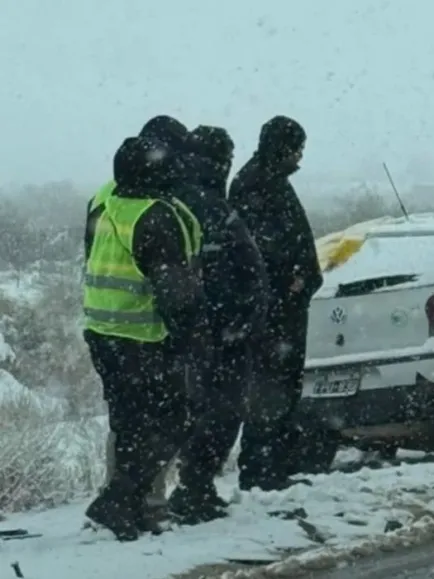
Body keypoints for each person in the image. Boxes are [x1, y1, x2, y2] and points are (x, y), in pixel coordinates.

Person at [83, 136, 205, 541]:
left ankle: (125, 503)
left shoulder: (104, 200)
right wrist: (191, 338)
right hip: (143, 336)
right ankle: (117, 500)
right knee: (174, 418)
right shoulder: (156, 216)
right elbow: (175, 292)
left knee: (131, 423)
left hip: (103, 333)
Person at [166, 125, 269, 524]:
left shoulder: (168, 201)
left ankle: (178, 489)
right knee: (221, 411)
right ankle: (195, 488)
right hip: (221, 333)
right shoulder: (214, 206)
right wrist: (244, 323)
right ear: (221, 161)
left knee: (184, 411)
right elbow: (250, 270)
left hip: (175, 334)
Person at [229, 115, 323, 491]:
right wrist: (290, 279)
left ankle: (275, 465)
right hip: (274, 312)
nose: (300, 157)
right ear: (281, 147)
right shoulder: (256, 184)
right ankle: (261, 468)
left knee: (281, 388)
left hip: (283, 309)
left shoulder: (269, 181)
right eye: (296, 149)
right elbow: (259, 250)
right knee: (270, 389)